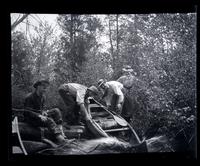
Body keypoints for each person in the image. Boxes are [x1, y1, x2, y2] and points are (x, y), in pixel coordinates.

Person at [24, 79, 66, 144]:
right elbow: (27, 112)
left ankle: (61, 131)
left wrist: (43, 111)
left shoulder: (43, 97)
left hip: (40, 115)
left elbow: (42, 108)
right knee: (49, 120)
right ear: (38, 86)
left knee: (56, 110)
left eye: (46, 86)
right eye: (43, 85)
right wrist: (39, 115)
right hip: (31, 119)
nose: (45, 87)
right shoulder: (30, 97)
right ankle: (60, 138)